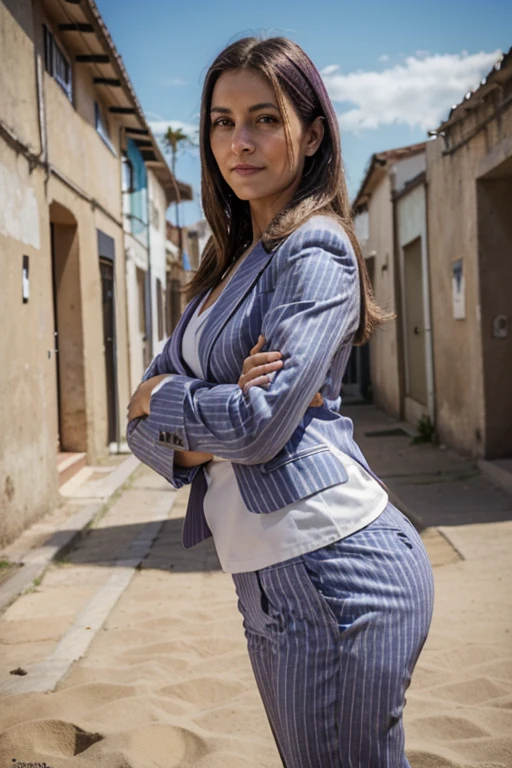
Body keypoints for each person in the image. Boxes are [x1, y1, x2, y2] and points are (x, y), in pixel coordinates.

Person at [126, 36, 434, 768]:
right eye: (222, 122)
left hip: (337, 566)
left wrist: (166, 401)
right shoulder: (224, 267)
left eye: (264, 118)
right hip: (268, 577)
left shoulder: (314, 249)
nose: (240, 141)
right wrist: (190, 416)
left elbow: (257, 426)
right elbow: (136, 421)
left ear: (313, 130)